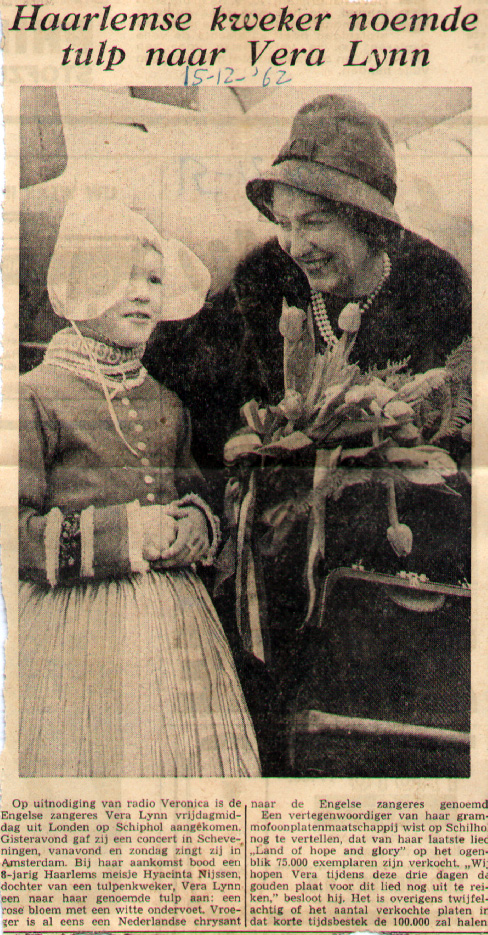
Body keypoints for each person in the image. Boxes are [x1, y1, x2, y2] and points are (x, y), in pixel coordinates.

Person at [144, 95, 471, 774]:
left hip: (385, 578)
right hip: (272, 569)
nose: (295, 244)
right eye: (286, 223)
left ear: (370, 224)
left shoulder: (436, 287)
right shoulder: (263, 279)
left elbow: (454, 441)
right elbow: (188, 379)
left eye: (315, 222)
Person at [18, 196, 261, 778]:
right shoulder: (34, 396)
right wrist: (126, 533)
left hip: (176, 625)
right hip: (73, 626)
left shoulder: (166, 402)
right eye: (122, 275)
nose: (143, 294)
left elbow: (194, 491)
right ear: (79, 280)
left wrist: (196, 524)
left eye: (153, 279)